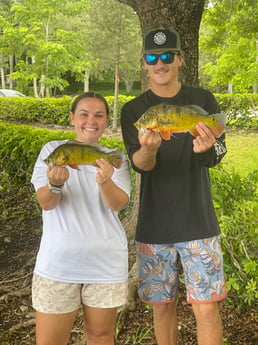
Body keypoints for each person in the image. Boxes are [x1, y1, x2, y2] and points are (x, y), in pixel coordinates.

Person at [121, 27, 228, 345]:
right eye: (152, 57)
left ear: (180, 59)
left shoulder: (203, 100)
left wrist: (206, 148)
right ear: (144, 63)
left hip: (199, 222)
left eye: (167, 56)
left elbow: (219, 152)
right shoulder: (133, 111)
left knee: (207, 309)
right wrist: (150, 149)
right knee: (162, 307)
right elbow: (141, 165)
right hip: (154, 227)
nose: (160, 63)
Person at [31, 92, 131, 345]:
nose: (91, 121)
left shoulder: (113, 158)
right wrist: (55, 185)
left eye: (99, 115)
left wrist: (105, 180)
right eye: (84, 114)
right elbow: (46, 203)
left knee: (100, 335)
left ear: (106, 120)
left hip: (106, 264)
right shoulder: (54, 151)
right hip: (58, 264)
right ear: (72, 118)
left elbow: (118, 204)